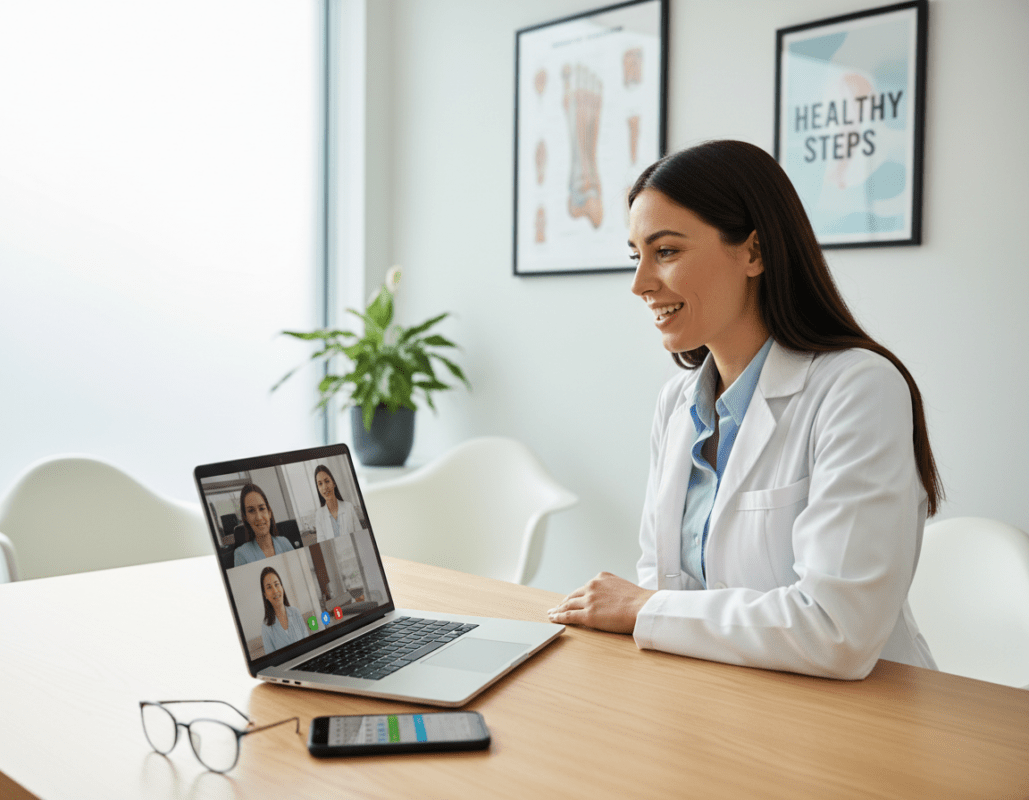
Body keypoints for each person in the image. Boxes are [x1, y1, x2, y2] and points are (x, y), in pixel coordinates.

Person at [547, 140, 942, 681]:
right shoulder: (678, 401)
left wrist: (641, 608)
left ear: (754, 252)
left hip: (861, 720)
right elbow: (667, 587)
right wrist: (649, 610)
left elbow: (837, 631)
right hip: (723, 700)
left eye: (665, 252)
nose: (640, 284)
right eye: (635, 255)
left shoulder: (859, 388)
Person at [233, 484, 295, 567]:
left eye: (262, 508)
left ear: (269, 512)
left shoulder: (285, 543)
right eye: (251, 510)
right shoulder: (241, 555)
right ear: (246, 518)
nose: (258, 517)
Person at [259, 566, 309, 655]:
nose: (275, 591)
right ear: (265, 595)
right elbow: (272, 660)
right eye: (269, 587)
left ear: (282, 587)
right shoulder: (266, 627)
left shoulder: (295, 612)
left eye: (276, 584)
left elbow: (308, 643)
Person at [313, 465, 362, 544]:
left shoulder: (348, 507)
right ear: (318, 489)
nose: (325, 487)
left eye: (327, 481)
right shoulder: (319, 515)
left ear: (334, 483)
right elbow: (323, 545)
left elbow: (360, 536)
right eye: (320, 484)